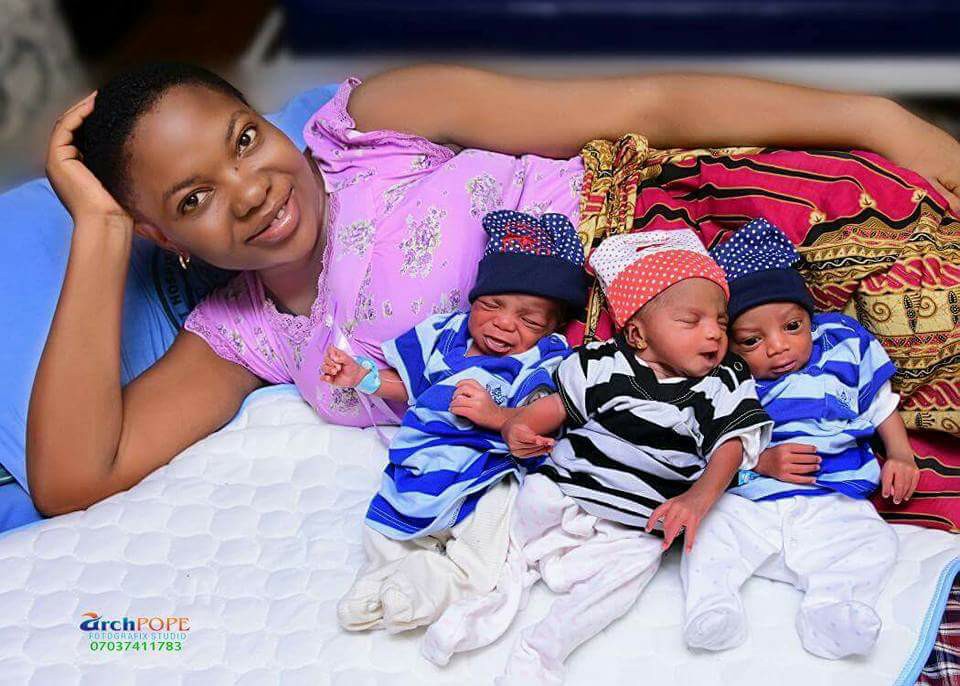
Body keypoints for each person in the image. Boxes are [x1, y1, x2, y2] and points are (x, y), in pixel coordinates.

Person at [28, 60, 960, 520]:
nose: (251, 191)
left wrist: (874, 120)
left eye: (243, 139)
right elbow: (73, 478)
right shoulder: (246, 333)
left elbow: (639, 107)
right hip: (669, 393)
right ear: (162, 236)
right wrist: (100, 230)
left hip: (704, 237)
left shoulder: (370, 129)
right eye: (192, 199)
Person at [421, 230, 772, 684]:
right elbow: (554, 409)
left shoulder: (723, 380)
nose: (713, 333)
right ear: (638, 335)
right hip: (562, 487)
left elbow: (731, 446)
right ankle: (484, 605)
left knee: (628, 574)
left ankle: (544, 648)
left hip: (635, 519)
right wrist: (516, 426)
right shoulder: (603, 361)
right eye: (691, 321)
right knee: (508, 532)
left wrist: (697, 499)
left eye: (721, 323)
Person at [321, 210, 585, 633]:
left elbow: (543, 414)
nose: (504, 322)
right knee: (384, 527)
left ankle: (431, 585)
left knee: (483, 552)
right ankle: (380, 578)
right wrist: (362, 378)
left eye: (529, 320)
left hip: (485, 471)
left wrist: (496, 415)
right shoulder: (444, 334)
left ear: (551, 327)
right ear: (473, 300)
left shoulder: (545, 356)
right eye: (492, 305)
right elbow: (409, 387)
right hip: (419, 460)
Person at [680, 218, 919, 660]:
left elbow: (879, 402)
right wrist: (761, 461)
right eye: (752, 340)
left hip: (832, 496)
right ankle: (712, 605)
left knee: (875, 542)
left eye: (792, 326)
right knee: (709, 531)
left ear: (810, 317)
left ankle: (831, 608)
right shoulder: (724, 375)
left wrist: (900, 454)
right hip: (752, 500)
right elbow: (705, 440)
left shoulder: (841, 341)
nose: (778, 347)